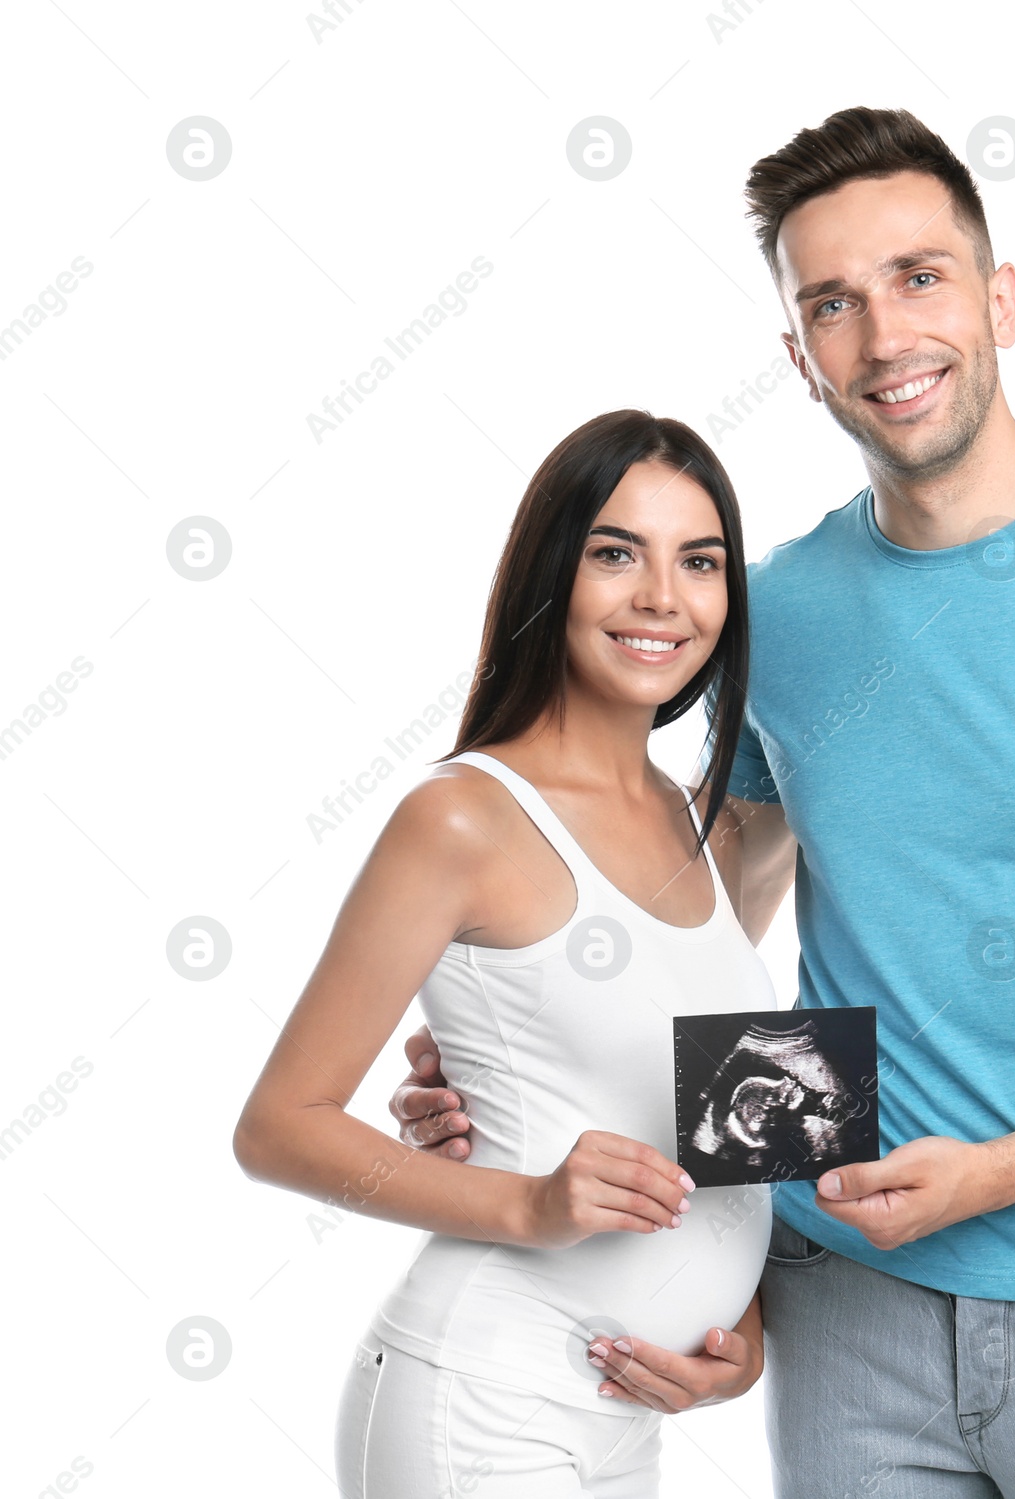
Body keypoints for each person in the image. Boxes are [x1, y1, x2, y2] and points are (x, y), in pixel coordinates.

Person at [395, 108, 1015, 1497]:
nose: (883, 335)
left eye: (919, 277)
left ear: (999, 298)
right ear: (800, 359)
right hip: (838, 1296)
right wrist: (519, 1052)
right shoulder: (775, 610)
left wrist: (1004, 1170)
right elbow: (699, 905)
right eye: (833, 303)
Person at [233, 409, 781, 1498]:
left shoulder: (700, 820)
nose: (662, 597)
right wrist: (530, 1203)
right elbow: (276, 1127)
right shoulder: (463, 818)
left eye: (700, 561)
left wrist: (741, 1335)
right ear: (550, 572)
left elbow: (707, 1106)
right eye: (615, 553)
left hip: (624, 1412)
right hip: (481, 1401)